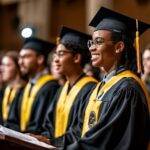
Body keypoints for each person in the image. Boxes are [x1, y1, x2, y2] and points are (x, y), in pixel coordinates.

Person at [66, 7, 150, 150]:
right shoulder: (99, 87)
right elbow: (78, 131)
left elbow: (103, 140)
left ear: (119, 47)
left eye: (98, 41)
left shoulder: (128, 90)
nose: (92, 48)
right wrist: (51, 142)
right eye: (91, 42)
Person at [40, 26, 98, 148]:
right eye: (56, 54)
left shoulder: (91, 89)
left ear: (76, 58)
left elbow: (81, 131)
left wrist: (52, 142)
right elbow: (49, 124)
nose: (55, 60)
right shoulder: (62, 90)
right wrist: (43, 139)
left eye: (61, 54)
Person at [16, 37, 60, 133]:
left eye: (26, 57)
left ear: (40, 59)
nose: (20, 62)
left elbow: (42, 126)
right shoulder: (27, 87)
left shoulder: (51, 87)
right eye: (20, 57)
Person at [0, 51, 26, 129]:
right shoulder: (6, 90)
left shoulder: (24, 91)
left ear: (18, 68)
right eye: (2, 65)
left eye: (7, 65)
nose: (2, 69)